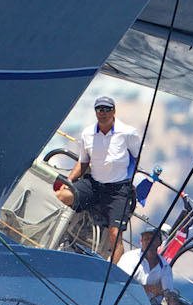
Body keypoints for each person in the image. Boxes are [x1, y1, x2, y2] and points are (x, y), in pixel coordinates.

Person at [51, 95, 143, 262]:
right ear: (95, 112)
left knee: (115, 234)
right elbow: (83, 162)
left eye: (107, 109)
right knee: (62, 195)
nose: (103, 113)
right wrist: (69, 181)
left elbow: (136, 158)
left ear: (114, 111)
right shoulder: (88, 133)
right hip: (94, 184)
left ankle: (112, 272)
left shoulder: (128, 133)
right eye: (100, 109)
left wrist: (128, 179)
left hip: (118, 189)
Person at [135, 227, 175, 305]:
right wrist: (150, 288)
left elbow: (168, 293)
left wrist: (171, 299)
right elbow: (121, 282)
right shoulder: (130, 257)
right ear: (141, 242)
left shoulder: (165, 267)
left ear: (159, 243)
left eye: (152, 239)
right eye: (146, 239)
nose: (149, 241)